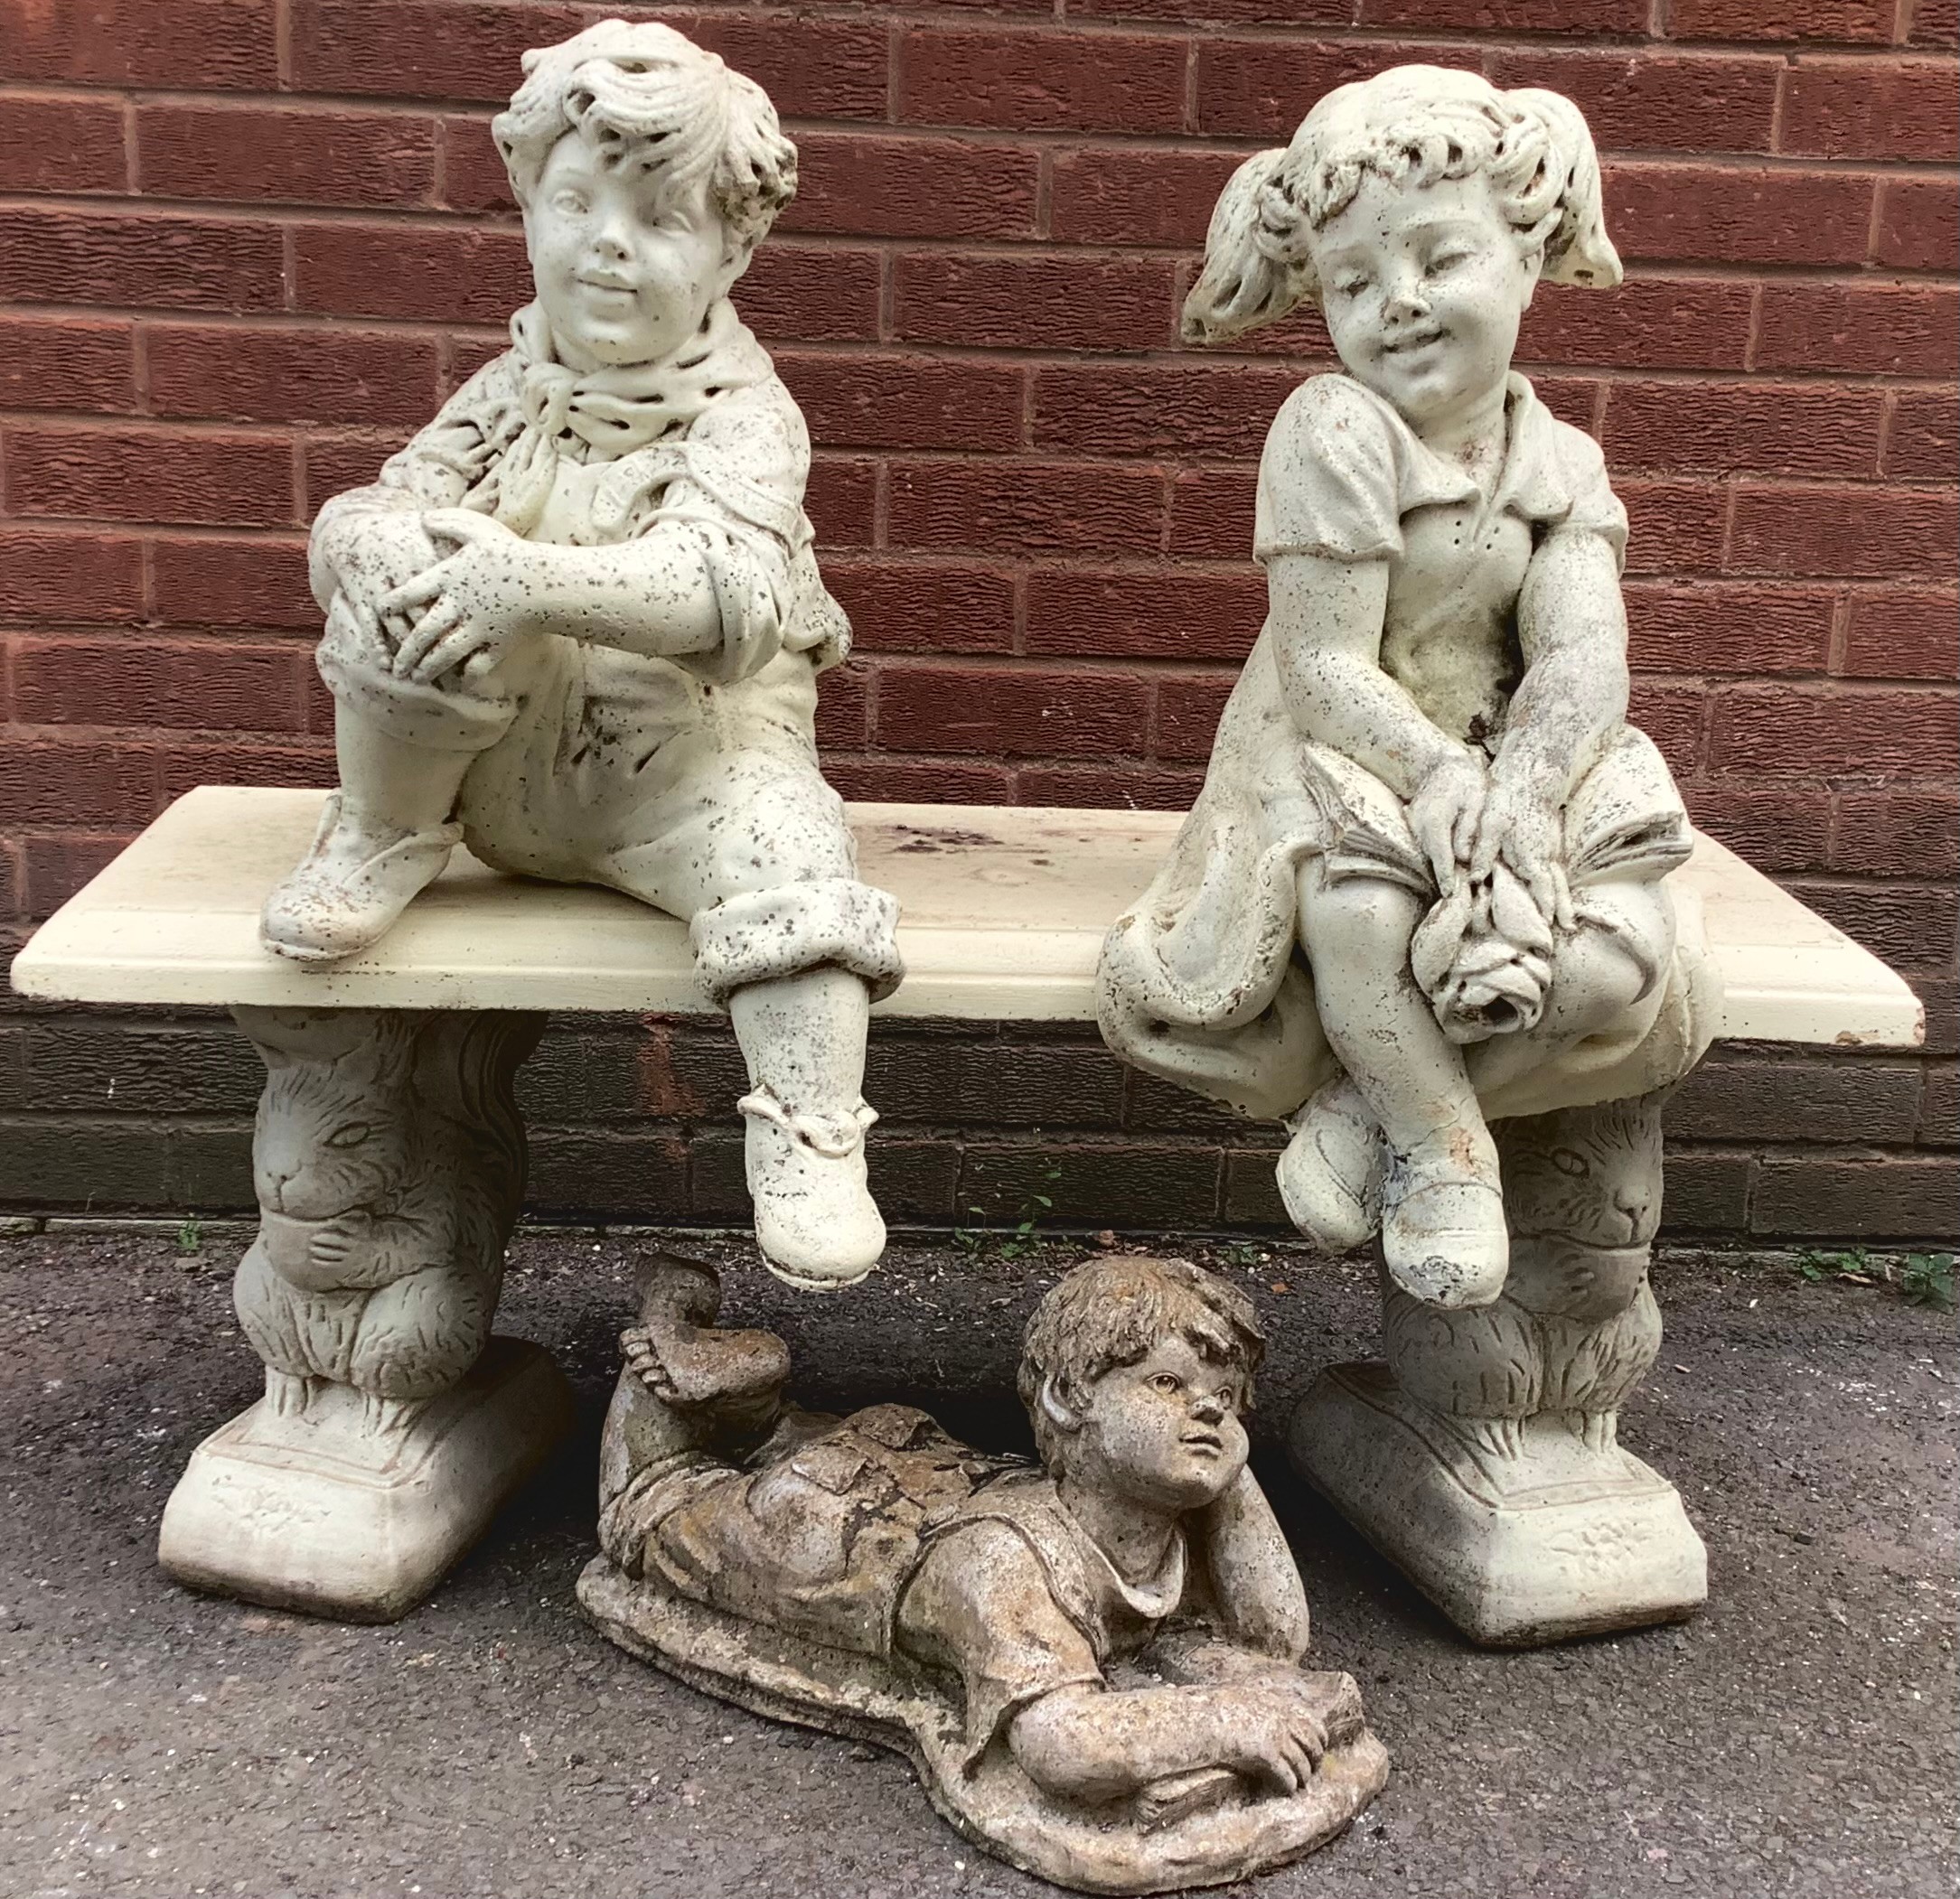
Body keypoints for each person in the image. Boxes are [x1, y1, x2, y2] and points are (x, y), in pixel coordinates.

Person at [258, 22, 901, 1290]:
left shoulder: (744, 419)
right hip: (488, 782)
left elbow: (727, 591)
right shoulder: (506, 389)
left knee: (793, 853)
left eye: (659, 218)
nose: (606, 242)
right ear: (528, 207)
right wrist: (369, 546)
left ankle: (811, 1125)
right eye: (574, 202)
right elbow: (385, 496)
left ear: (732, 248)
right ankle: (381, 826)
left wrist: (529, 576)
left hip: (686, 775)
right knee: (415, 578)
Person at [1097, 66, 1716, 1312]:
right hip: (1344, 747)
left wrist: (1528, 791)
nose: (1399, 304)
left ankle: (1363, 1102)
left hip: (1512, 751)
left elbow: (1583, 654)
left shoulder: (1558, 457)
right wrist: (1435, 774)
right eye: (1353, 281)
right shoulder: (1332, 428)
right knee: (1359, 923)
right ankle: (1443, 1154)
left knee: (1611, 963)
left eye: (1440, 257)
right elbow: (1325, 663)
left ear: (1527, 255)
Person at [596, 1254, 1340, 1806]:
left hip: (889, 1466)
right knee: (647, 1495)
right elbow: (1063, 1745)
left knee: (786, 1433)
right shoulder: (1000, 1566)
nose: (1209, 1410)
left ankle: (759, 1407)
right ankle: (676, 1333)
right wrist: (1224, 1722)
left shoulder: (1152, 1520)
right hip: (773, 1521)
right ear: (1065, 1398)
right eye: (1167, 1384)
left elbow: (1272, 1642)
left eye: (1226, 1398)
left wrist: (1216, 1455)